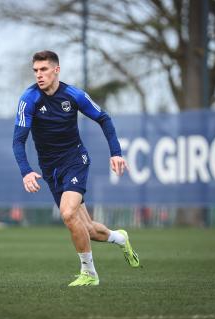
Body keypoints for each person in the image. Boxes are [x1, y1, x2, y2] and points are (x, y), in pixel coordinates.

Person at [12, 50, 139, 287]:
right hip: (50, 169)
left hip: (75, 160)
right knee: (87, 229)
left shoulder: (74, 95)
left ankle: (89, 274)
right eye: (36, 71)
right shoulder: (28, 99)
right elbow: (18, 140)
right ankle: (120, 238)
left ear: (56, 70)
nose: (39, 75)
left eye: (44, 69)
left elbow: (104, 118)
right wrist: (26, 170)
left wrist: (116, 153)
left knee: (68, 213)